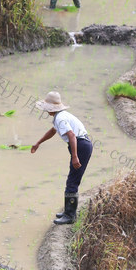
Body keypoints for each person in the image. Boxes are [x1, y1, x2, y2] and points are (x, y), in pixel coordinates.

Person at [30, 91, 92, 225]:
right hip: (81, 145)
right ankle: (68, 212)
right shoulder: (60, 116)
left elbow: (71, 135)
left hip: (80, 146)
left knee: (72, 182)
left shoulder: (60, 118)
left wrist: (75, 157)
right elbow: (52, 131)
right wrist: (38, 143)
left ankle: (70, 216)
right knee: (72, 180)